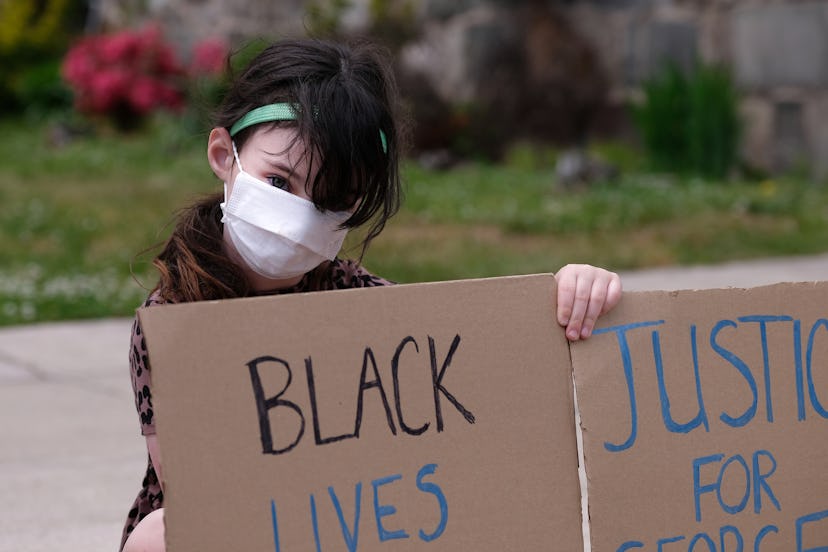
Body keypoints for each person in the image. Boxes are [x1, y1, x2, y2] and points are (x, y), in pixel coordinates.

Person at [121, 37, 622, 552]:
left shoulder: (365, 306)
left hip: (350, 525)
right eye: (279, 181)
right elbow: (199, 490)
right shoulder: (170, 324)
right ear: (225, 156)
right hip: (248, 532)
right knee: (158, 538)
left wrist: (565, 298)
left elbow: (472, 367)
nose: (298, 219)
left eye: (330, 201)